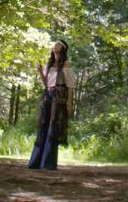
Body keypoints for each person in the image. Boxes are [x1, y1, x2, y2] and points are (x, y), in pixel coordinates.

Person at [27, 40, 75, 170]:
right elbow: (46, 83)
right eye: (55, 44)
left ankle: (48, 163)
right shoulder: (49, 64)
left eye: (58, 44)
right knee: (42, 125)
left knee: (53, 126)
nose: (55, 46)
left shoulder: (66, 64)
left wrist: (69, 102)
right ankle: (35, 162)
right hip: (47, 95)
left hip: (59, 96)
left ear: (63, 48)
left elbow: (70, 85)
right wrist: (40, 72)